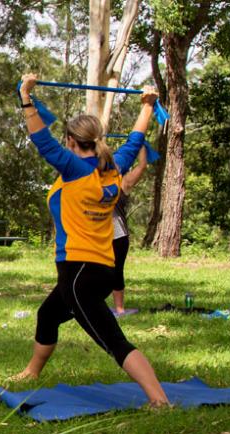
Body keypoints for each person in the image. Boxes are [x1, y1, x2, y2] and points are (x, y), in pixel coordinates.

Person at [10, 72, 169, 407]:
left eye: (66, 142)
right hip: (101, 268)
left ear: (71, 141)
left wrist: (26, 96)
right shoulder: (114, 166)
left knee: (114, 341)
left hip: (79, 273)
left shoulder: (73, 169)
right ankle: (32, 372)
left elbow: (41, 139)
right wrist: (147, 106)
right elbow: (135, 141)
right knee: (48, 314)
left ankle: (159, 400)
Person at [110, 147, 149, 316]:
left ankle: (119, 309)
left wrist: (140, 146)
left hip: (117, 235)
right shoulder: (93, 178)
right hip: (95, 235)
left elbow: (141, 166)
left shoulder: (123, 182)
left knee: (116, 271)